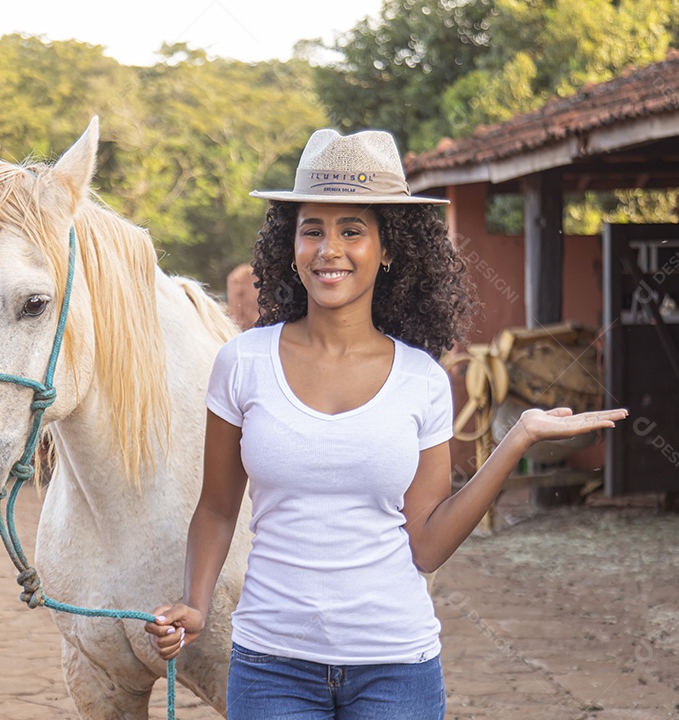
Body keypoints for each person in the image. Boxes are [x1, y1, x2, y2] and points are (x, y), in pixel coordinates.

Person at [145, 128, 627, 719]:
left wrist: (517, 438)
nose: (330, 249)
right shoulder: (242, 362)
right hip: (270, 665)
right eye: (312, 230)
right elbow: (218, 509)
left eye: (352, 230)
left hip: (395, 669)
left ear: (389, 248)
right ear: (288, 246)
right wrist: (195, 606)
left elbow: (425, 544)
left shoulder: (421, 380)